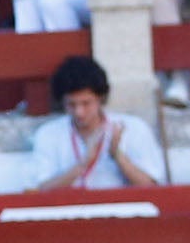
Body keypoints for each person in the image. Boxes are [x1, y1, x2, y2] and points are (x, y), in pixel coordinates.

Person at [26, 50, 162, 191]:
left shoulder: (133, 128)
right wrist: (83, 164)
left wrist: (118, 156)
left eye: (86, 103)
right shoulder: (48, 134)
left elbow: (152, 188)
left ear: (101, 99)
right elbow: (40, 190)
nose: (79, 112)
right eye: (71, 104)